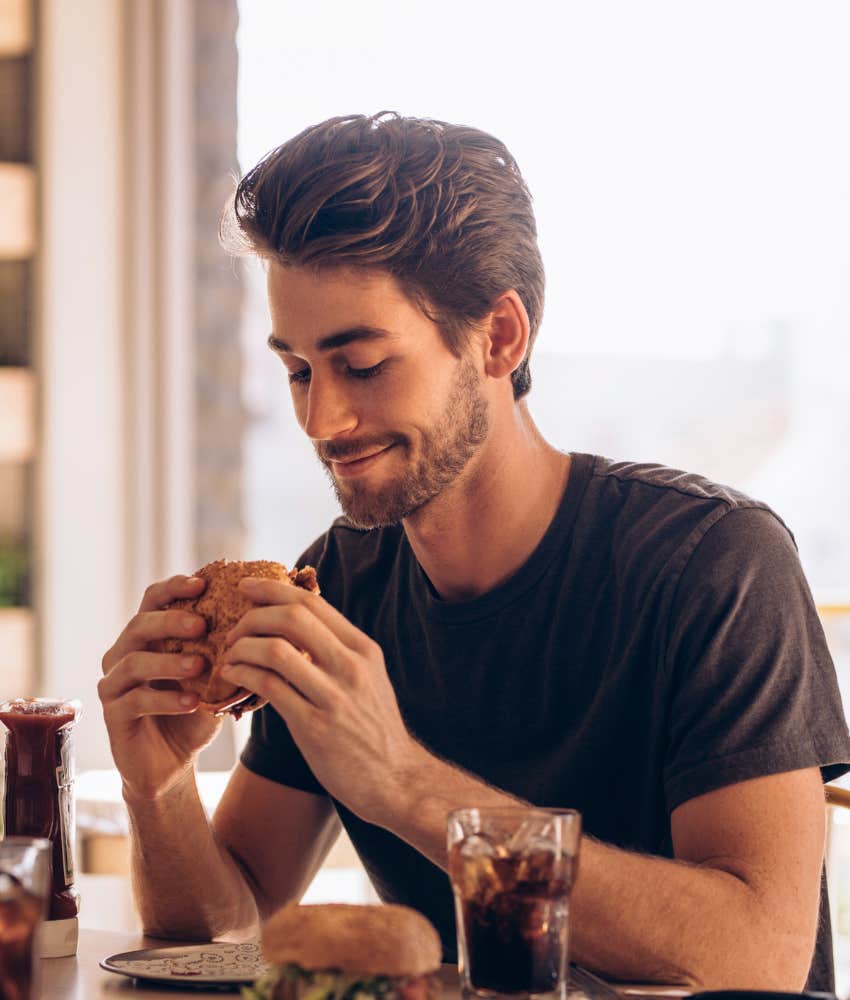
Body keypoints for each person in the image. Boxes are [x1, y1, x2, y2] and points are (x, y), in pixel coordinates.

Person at [99, 112, 850, 991]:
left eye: (365, 364)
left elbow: (759, 954)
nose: (321, 421)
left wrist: (405, 784)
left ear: (498, 336)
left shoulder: (713, 563)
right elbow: (235, 926)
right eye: (300, 370)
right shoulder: (339, 581)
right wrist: (159, 788)